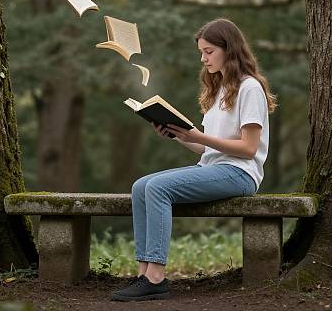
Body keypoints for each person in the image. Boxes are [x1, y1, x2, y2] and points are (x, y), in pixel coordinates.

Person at [111, 18, 278, 302]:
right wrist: (179, 136)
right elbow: (207, 150)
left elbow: (249, 149)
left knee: (158, 188)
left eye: (209, 51)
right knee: (141, 186)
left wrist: (198, 137)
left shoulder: (249, 87)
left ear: (230, 49)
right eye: (201, 52)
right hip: (214, 167)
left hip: (241, 173)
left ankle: (156, 277)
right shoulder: (219, 88)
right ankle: (143, 271)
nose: (204, 58)